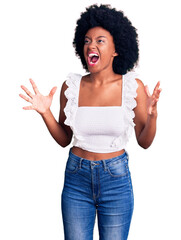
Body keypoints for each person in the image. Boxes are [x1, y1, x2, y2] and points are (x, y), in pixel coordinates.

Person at [19, 4, 161, 240]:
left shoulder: (131, 87)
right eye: (86, 41)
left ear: (117, 49)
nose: (91, 46)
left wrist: (153, 116)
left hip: (116, 181)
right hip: (77, 178)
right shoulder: (72, 86)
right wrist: (45, 113)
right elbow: (64, 139)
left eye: (100, 41)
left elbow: (144, 142)